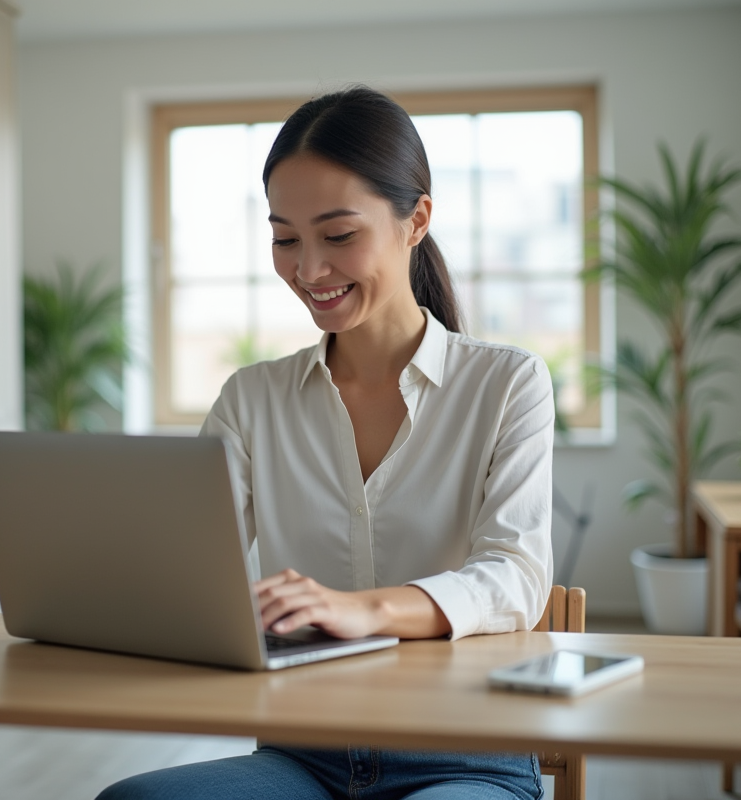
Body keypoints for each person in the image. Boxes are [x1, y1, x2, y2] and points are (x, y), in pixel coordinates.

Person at [99, 86, 554, 800]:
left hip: (465, 755)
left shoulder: (507, 384)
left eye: (338, 236)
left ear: (417, 221)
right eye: (285, 239)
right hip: (302, 754)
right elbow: (185, 571)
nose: (308, 270)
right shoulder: (252, 400)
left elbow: (516, 579)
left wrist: (364, 609)